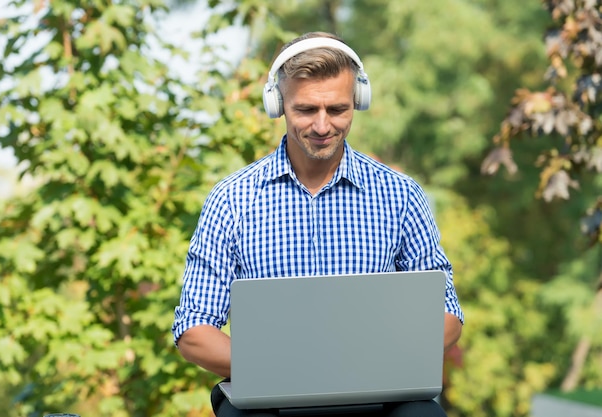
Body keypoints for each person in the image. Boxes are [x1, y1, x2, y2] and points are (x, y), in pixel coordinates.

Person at [172, 31, 464, 417]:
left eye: (338, 110)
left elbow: (446, 314)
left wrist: (364, 365)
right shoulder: (231, 200)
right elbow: (193, 330)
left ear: (358, 101)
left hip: (378, 393)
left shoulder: (401, 195)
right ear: (278, 104)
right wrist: (290, 370)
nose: (323, 126)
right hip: (271, 398)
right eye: (306, 110)